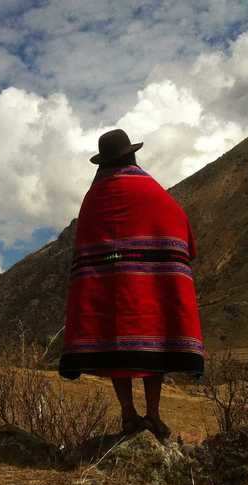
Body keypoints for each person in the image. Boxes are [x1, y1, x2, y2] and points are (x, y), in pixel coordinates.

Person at [59, 129, 205, 440]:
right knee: (154, 345)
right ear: (131, 155)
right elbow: (178, 222)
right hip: (149, 285)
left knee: (116, 348)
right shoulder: (151, 190)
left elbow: (85, 237)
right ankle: (153, 413)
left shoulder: (94, 196)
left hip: (108, 288)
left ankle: (128, 413)